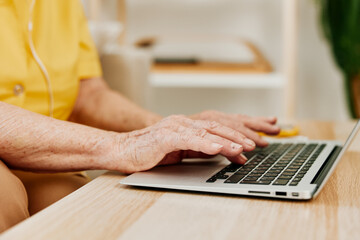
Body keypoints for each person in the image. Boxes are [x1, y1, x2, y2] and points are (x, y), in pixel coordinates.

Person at [0, 0, 280, 233]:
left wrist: (171, 132)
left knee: (99, 212)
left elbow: (88, 95)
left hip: (50, 158)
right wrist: (122, 147)